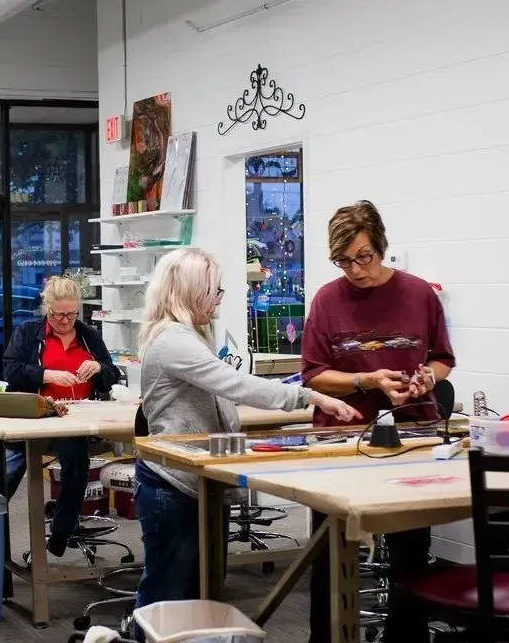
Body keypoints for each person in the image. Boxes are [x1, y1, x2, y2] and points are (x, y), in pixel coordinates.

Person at [134, 247, 360, 609]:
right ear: (191, 291)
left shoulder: (189, 335)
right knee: (168, 594)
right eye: (214, 290)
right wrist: (308, 397)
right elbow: (235, 384)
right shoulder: (175, 340)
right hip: (173, 484)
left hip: (195, 481)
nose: (219, 298)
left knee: (198, 591)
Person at [301, 200, 455, 643]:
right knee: (330, 554)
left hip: (410, 435)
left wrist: (426, 379)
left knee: (412, 551)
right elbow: (313, 374)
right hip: (342, 439)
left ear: (381, 246)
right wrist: (367, 380)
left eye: (363, 257)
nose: (355, 270)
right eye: (343, 261)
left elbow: (443, 358)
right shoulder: (327, 300)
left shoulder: (419, 294)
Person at [0, 274, 121, 557]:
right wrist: (46, 374)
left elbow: (112, 374)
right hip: (35, 418)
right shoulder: (29, 333)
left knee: (75, 458)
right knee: (6, 474)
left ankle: (62, 531)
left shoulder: (88, 336)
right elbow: (11, 371)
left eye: (71, 314)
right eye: (58, 315)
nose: (66, 321)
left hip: (74, 420)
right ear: (47, 309)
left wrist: (99, 369)